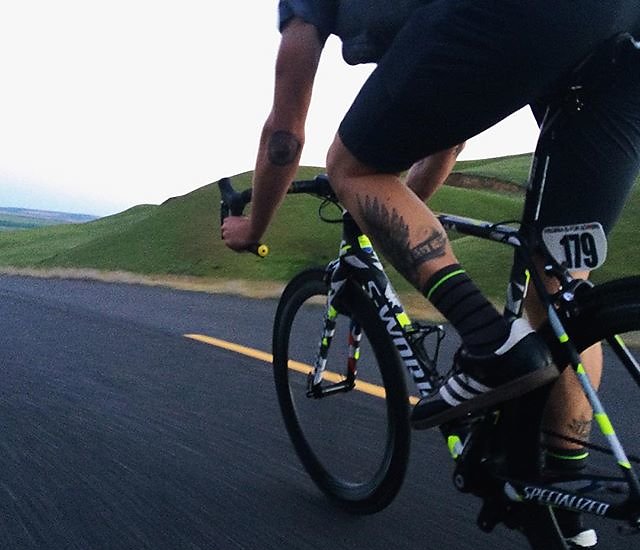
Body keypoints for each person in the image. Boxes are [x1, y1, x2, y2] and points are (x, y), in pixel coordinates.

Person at [222, 2, 640, 437]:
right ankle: (554, 487)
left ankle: (489, 344)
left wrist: (254, 227)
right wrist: (392, 207)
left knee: (350, 166)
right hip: (625, 32)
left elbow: (284, 133)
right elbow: (448, 139)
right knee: (559, 293)